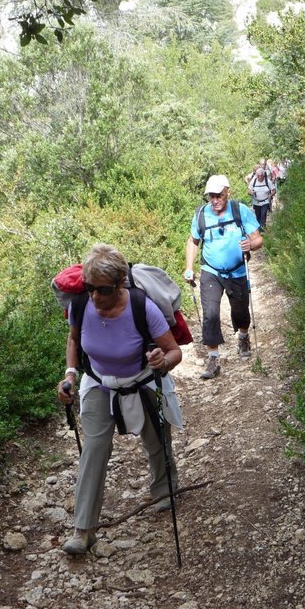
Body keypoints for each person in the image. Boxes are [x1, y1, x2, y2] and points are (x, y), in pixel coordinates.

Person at [57, 243, 183, 554]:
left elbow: (174, 351)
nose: (95, 296)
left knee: (156, 439)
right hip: (99, 383)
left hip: (140, 381)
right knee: (94, 449)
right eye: (89, 288)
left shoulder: (143, 307)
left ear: (120, 284)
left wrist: (162, 362)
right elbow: (74, 339)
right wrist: (70, 375)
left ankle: (165, 488)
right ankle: (83, 530)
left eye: (103, 290)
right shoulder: (81, 305)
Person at [184, 174, 263, 380]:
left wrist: (250, 245)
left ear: (227, 192)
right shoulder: (201, 214)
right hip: (211, 270)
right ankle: (213, 359)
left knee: (240, 311)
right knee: (210, 313)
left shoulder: (240, 210)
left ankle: (243, 336)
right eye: (211, 196)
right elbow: (193, 241)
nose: (215, 200)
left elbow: (258, 240)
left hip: (237, 270)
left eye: (219, 195)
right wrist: (189, 267)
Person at [248, 167, 272, 231]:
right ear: (257, 175)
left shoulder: (267, 181)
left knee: (263, 215)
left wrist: (270, 195)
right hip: (256, 202)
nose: (260, 177)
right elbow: (249, 190)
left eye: (261, 175)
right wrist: (251, 192)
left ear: (263, 175)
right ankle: (259, 229)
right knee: (258, 216)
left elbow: (273, 190)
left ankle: (262, 229)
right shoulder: (253, 181)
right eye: (258, 176)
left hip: (265, 201)